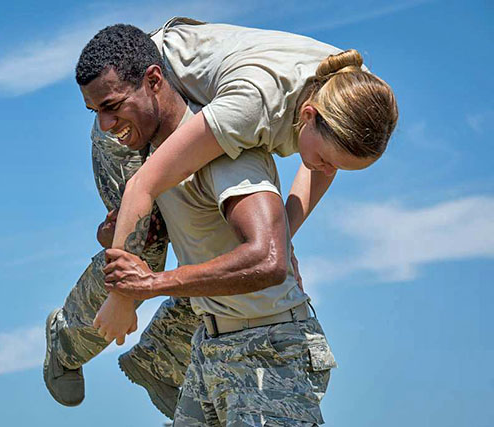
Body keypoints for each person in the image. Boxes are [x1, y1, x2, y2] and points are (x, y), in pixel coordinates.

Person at [85, 35, 337, 425]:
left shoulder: (225, 150)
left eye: (112, 107)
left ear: (154, 81)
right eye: (94, 111)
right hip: (212, 345)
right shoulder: (162, 155)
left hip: (266, 352)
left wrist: (146, 285)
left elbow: (269, 260)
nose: (104, 124)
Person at [102, 18, 399, 343]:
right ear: (309, 115)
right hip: (133, 94)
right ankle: (69, 338)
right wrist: (122, 296)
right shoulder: (250, 107)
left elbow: (319, 171)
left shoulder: (357, 92)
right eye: (328, 161)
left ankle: (164, 357)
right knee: (146, 238)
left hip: (204, 92)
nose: (327, 170)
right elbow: (143, 184)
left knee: (232, 252)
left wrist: (283, 236)